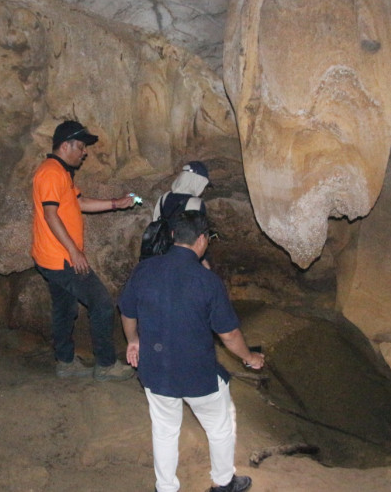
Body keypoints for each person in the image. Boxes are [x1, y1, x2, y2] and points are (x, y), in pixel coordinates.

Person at [118, 211, 265, 492]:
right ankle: (223, 482)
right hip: (198, 376)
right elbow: (230, 334)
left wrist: (133, 340)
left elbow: (127, 311)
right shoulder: (207, 281)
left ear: (173, 236)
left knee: (164, 429)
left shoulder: (145, 270)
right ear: (202, 240)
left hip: (156, 372)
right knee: (220, 426)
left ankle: (166, 487)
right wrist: (249, 358)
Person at [32, 119, 136, 382]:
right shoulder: (51, 173)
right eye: (80, 146)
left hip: (54, 257)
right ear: (65, 146)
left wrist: (116, 204)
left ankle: (65, 362)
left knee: (65, 309)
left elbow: (80, 203)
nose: (84, 152)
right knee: (101, 303)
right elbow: (50, 215)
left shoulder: (61, 172)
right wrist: (74, 252)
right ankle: (105, 365)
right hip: (61, 258)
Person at [152, 160, 212, 268]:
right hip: (184, 258)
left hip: (161, 255)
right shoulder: (195, 203)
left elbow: (155, 224)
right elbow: (198, 235)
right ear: (197, 181)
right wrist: (204, 261)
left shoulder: (163, 198)